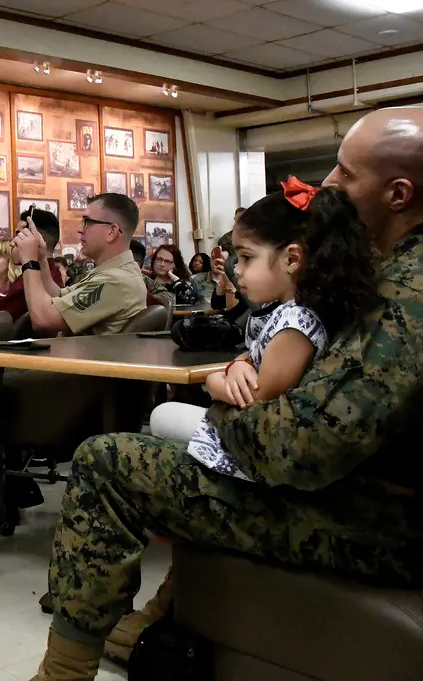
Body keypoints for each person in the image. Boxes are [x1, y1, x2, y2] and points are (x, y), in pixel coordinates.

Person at [28, 107, 423, 681]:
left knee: (105, 461)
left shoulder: (407, 295)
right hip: (371, 492)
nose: (328, 186)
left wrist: (221, 404)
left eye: (344, 173)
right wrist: (242, 370)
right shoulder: (393, 272)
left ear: (399, 193)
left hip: (377, 521)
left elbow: (299, 450)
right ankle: (143, 625)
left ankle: (62, 673)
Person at [153, 182, 378, 480]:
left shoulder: (295, 324)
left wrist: (215, 379)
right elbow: (251, 358)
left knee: (161, 415)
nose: (237, 269)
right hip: (242, 429)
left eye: (247, 257)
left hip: (251, 448)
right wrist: (237, 367)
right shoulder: (286, 312)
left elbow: (255, 400)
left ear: (292, 259)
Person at [15, 193, 147, 337]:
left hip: (81, 357)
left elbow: (43, 319)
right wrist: (41, 258)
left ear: (112, 231)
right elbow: (58, 295)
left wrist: (29, 261)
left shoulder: (114, 280)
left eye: (87, 222)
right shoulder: (117, 271)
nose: (80, 229)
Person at [0, 211, 67, 320]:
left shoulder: (30, 282)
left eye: (18, 235)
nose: (12, 243)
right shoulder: (53, 272)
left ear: (37, 239)